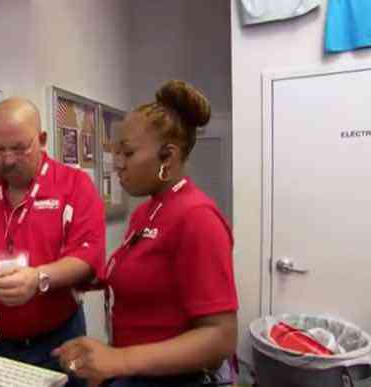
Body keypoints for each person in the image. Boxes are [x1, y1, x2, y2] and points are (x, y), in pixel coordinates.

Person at [53, 80, 238, 387]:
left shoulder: (197, 218)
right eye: (116, 153)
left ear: (168, 156)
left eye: (127, 153)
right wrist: (80, 276)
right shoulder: (147, 211)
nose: (118, 165)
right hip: (136, 375)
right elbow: (151, 279)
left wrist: (118, 360)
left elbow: (220, 337)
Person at [0, 97, 105, 386]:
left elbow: (88, 258)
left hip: (58, 339)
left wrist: (38, 278)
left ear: (42, 139)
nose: (8, 159)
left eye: (19, 148)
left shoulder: (74, 185)